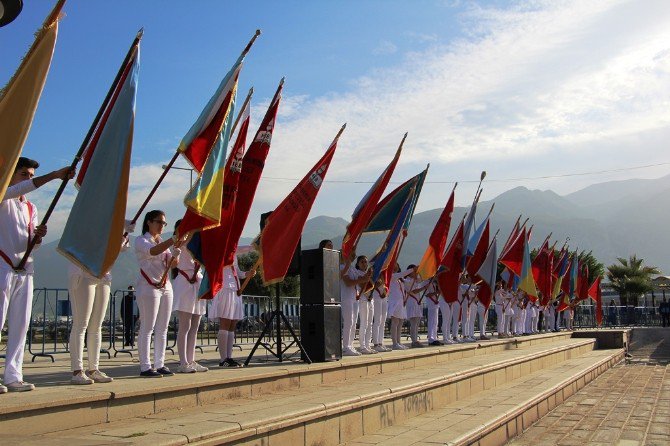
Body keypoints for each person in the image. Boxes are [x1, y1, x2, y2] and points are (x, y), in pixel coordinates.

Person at [0, 158, 73, 393]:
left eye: (31, 175)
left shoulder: (31, 207)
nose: (29, 179)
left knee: (20, 325)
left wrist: (38, 238)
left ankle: (13, 375)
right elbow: (18, 189)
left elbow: (30, 243)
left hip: (25, 269)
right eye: (24, 174)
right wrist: (54, 175)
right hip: (3, 265)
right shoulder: (3, 196)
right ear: (12, 175)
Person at [67, 223, 134, 385]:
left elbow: (119, 249)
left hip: (104, 275)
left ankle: (93, 368)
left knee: (96, 325)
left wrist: (122, 232)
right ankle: (77, 370)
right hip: (83, 272)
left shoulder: (113, 220)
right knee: (81, 324)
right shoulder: (86, 217)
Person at [134, 210, 181, 378]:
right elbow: (153, 251)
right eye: (159, 222)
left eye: (164, 223)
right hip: (148, 287)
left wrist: (176, 254)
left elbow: (172, 264)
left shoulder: (162, 241)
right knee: (148, 327)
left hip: (165, 285)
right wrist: (172, 240)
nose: (162, 226)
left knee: (162, 328)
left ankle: (160, 363)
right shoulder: (141, 240)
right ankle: (145, 366)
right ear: (149, 222)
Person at [171, 220, 207, 373]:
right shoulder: (178, 242)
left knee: (195, 326)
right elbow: (175, 261)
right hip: (184, 282)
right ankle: (183, 362)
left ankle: (191, 360)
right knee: (184, 326)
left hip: (197, 282)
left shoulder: (198, 243)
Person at [211, 247, 256, 367]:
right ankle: (222, 358)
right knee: (225, 322)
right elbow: (242, 249)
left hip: (236, 289)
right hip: (225, 288)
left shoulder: (233, 253)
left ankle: (229, 357)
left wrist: (247, 274)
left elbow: (237, 272)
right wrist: (254, 247)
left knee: (232, 324)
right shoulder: (221, 251)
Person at [340, 252, 370, 356]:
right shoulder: (342, 267)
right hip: (346, 297)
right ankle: (345, 347)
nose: (353, 256)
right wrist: (362, 280)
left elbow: (362, 276)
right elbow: (348, 283)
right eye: (351, 255)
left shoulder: (352, 268)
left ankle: (350, 345)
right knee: (349, 322)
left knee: (353, 323)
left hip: (354, 297)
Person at [387, 263, 413, 350]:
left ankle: (398, 342)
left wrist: (417, 276)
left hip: (401, 303)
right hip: (394, 302)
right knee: (395, 323)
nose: (395, 267)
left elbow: (410, 282)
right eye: (393, 266)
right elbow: (402, 274)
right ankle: (394, 343)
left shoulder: (401, 279)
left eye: (396, 266)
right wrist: (412, 270)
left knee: (400, 323)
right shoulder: (392, 276)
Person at [405, 265, 429, 348]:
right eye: (414, 271)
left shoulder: (416, 281)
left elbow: (422, 278)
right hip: (411, 301)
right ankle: (414, 341)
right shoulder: (407, 281)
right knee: (413, 323)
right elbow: (414, 291)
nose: (416, 273)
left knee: (417, 322)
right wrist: (423, 288)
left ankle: (415, 339)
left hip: (417, 302)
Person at [371, 276, 391, 352]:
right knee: (377, 321)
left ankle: (380, 342)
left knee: (383, 321)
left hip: (384, 295)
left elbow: (385, 282)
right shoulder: (375, 271)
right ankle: (376, 344)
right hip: (376, 295)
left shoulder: (384, 273)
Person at [425, 280, 442, 346]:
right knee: (431, 321)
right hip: (431, 303)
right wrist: (436, 292)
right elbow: (427, 294)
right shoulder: (426, 282)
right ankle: (431, 339)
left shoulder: (434, 283)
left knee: (435, 322)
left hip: (435, 303)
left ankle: (434, 338)